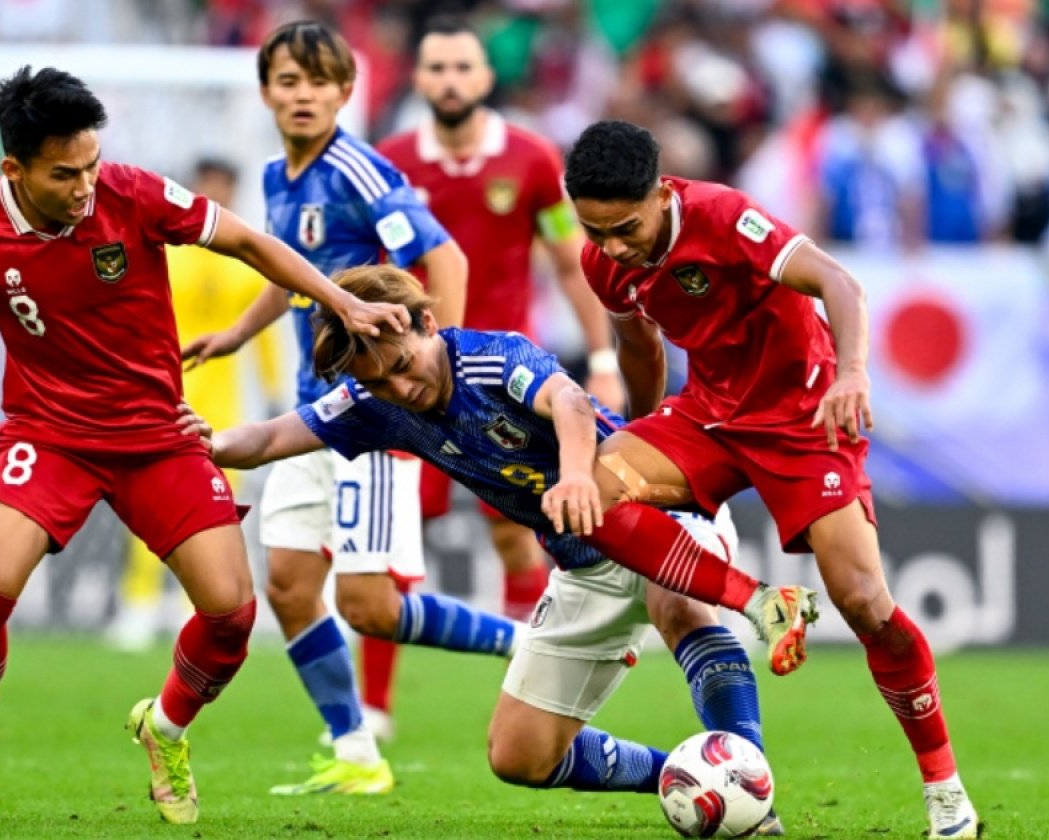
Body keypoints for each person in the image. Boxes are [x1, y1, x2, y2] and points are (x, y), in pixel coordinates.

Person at [0, 66, 410, 827]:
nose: (87, 184)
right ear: (13, 169)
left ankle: (166, 728)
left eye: (92, 163)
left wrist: (343, 298)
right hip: (48, 436)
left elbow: (252, 242)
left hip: (158, 434)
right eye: (66, 173)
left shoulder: (132, 193)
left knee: (230, 615)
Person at [180, 264, 782, 835]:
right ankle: (690, 779)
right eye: (378, 381)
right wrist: (213, 442)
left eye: (402, 365)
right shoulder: (378, 406)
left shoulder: (491, 357)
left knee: (676, 605)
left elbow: (569, 401)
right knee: (519, 757)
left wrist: (577, 476)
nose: (400, 386)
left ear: (425, 324)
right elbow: (270, 437)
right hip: (580, 566)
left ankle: (748, 777)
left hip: (649, 507)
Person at [563, 120, 978, 839]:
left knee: (863, 601)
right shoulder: (605, 263)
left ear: (661, 195)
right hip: (709, 416)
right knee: (589, 490)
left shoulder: (723, 218)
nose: (613, 247)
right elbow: (637, 342)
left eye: (624, 228)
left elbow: (838, 282)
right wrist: (640, 435)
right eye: (595, 232)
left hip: (802, 418)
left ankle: (947, 795)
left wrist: (851, 374)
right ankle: (759, 603)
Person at [184, 20, 517, 796]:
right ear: (267, 91)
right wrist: (238, 332)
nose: (303, 95)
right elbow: (290, 267)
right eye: (288, 81)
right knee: (293, 588)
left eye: (318, 81)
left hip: (373, 415)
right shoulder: (276, 175)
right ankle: (356, 752)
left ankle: (532, 643)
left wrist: (446, 371)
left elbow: (445, 257)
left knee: (370, 605)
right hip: (310, 409)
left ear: (345, 91)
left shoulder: (360, 172)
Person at [363, 15, 625, 734]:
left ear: (485, 78)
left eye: (462, 68)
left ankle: (532, 675)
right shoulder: (388, 161)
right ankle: (373, 711)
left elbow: (572, 265)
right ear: (419, 80)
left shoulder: (534, 160)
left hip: (506, 380)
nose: (450, 80)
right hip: (409, 378)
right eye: (437, 68)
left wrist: (601, 362)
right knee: (393, 531)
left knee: (518, 535)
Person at [105, 157, 286, 653]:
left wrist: (271, 388)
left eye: (224, 184)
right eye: (208, 183)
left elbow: (263, 334)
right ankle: (138, 606)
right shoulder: (166, 249)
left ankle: (197, 610)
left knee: (214, 506)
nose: (216, 191)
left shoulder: (241, 258)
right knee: (147, 501)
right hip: (160, 393)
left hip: (223, 403)